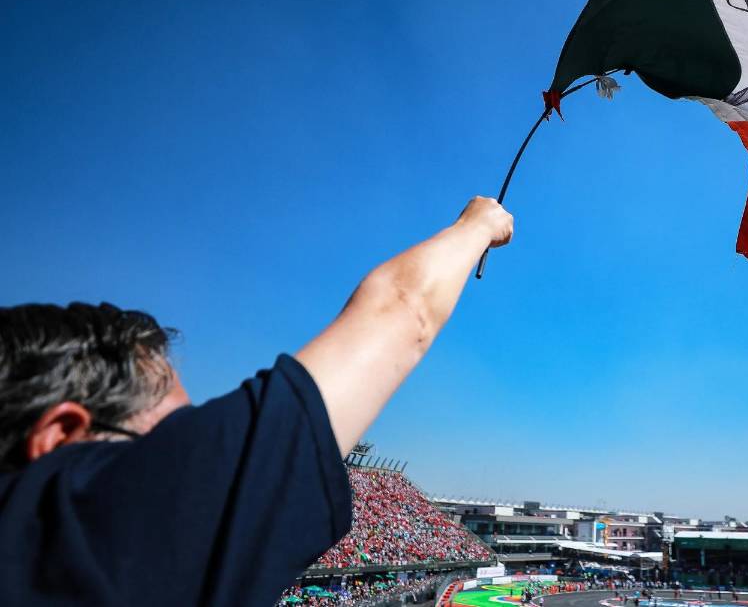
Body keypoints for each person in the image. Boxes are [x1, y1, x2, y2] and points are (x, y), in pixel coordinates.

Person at [0, 197, 513, 606]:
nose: (193, 445)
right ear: (61, 436)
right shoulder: (84, 544)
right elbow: (403, 311)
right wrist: (476, 226)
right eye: (172, 436)